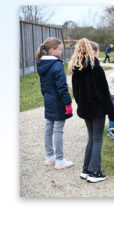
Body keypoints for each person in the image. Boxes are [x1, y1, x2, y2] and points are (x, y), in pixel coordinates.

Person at [70, 38, 114, 183]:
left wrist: (81, 105)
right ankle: (95, 172)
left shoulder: (76, 69)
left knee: (92, 138)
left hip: (85, 110)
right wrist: (112, 113)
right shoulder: (96, 69)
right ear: (94, 51)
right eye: (98, 52)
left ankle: (86, 169)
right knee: (97, 139)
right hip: (97, 110)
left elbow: (76, 93)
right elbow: (104, 94)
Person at [36, 37, 73, 169]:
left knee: (48, 128)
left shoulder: (41, 64)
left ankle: (49, 157)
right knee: (58, 130)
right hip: (58, 101)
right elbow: (62, 87)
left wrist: (46, 97)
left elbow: (43, 86)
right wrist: (67, 104)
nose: (61, 52)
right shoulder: (57, 65)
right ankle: (59, 160)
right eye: (60, 49)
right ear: (52, 50)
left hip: (48, 99)